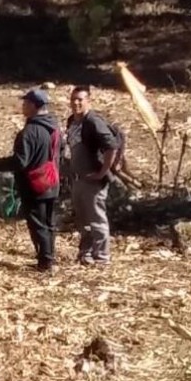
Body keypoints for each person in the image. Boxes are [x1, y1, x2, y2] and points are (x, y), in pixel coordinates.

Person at [0, 89, 62, 272]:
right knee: (49, 222)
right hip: (52, 180)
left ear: (34, 106)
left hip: (34, 184)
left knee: (37, 223)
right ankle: (49, 257)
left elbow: (20, 161)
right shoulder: (55, 128)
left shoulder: (29, 132)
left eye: (26, 103)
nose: (23, 106)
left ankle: (45, 263)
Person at [66, 85, 120, 266]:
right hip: (78, 178)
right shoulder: (72, 121)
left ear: (88, 101)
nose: (76, 103)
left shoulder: (93, 122)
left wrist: (103, 171)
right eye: (73, 99)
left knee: (97, 219)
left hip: (93, 180)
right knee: (83, 219)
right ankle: (86, 253)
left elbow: (111, 146)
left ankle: (102, 257)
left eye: (80, 99)